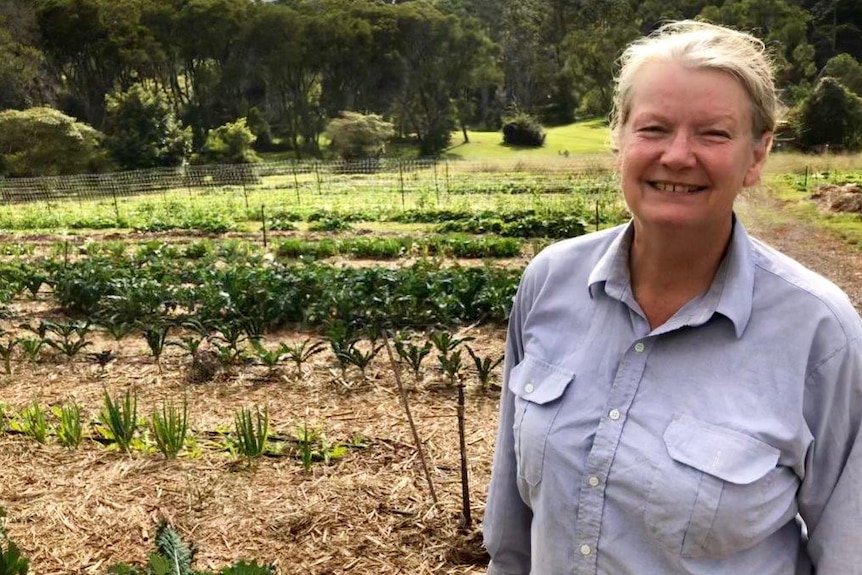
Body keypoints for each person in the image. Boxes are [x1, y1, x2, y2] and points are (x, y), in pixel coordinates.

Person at [483, 20, 862, 575]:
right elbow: (512, 525)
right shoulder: (550, 281)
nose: (678, 156)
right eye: (654, 128)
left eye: (713, 133)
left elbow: (848, 550)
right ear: (620, 138)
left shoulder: (820, 333)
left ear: (756, 156)